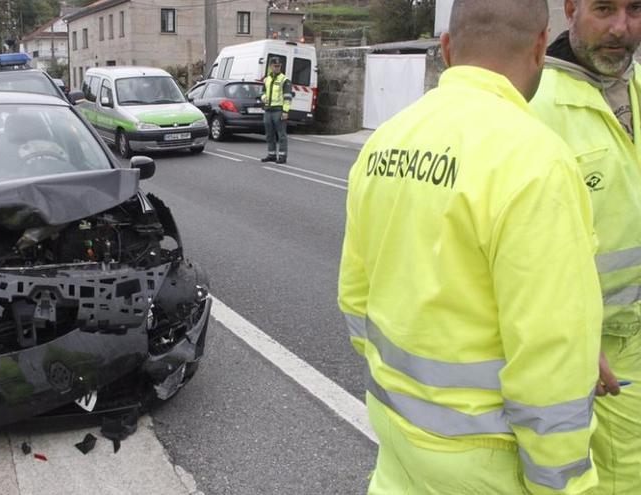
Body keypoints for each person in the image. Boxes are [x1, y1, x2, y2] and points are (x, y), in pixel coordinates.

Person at [338, 0, 602, 493]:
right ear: (542, 46)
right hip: (487, 461)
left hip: (397, 434)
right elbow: (552, 357)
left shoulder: (386, 141)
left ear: (446, 48)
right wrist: (565, 484)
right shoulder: (536, 162)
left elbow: (355, 297)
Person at [530, 1, 641, 493]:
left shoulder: (636, 87)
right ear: (570, 8)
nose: (621, 28)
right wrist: (568, 336)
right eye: (604, 8)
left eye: (636, 8)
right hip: (594, 357)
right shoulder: (536, 105)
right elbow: (517, 249)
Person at [260, 57, 292, 164]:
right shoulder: (267, 79)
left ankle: (282, 156)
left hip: (278, 110)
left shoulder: (284, 80)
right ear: (270, 66)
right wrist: (263, 98)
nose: (277, 68)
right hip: (268, 110)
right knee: (269, 134)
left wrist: (285, 111)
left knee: (281, 134)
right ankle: (271, 154)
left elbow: (287, 97)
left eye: (279, 66)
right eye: (275, 66)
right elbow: (262, 92)